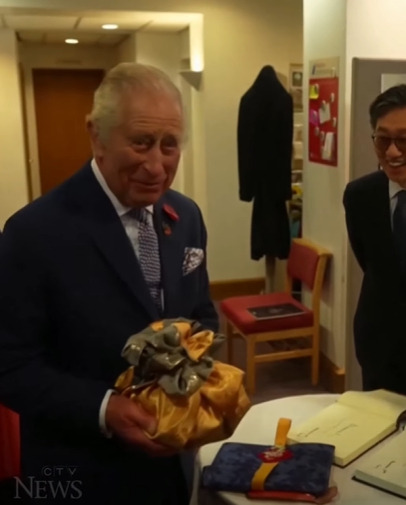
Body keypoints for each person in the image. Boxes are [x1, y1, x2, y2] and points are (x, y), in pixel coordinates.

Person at [0, 62, 218, 504]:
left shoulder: (187, 216)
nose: (156, 166)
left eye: (169, 145)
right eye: (141, 143)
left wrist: (200, 372)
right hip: (82, 470)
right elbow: (10, 366)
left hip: (173, 461)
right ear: (96, 134)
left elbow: (201, 316)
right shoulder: (33, 233)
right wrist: (104, 409)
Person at [343, 84, 406, 395]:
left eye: (404, 140)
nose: (392, 152)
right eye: (383, 140)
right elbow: (372, 265)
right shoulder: (360, 196)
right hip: (380, 351)